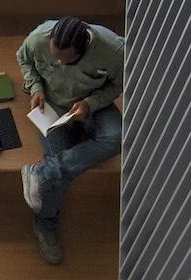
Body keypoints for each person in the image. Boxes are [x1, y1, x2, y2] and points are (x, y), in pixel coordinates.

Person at [15, 15, 124, 266]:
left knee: (116, 137)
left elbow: (115, 87)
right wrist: (35, 88)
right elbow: (23, 58)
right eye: (55, 58)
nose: (59, 63)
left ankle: (42, 174)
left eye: (66, 59)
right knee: (60, 171)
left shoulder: (113, 50)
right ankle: (46, 223)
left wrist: (90, 104)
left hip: (92, 105)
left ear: (83, 48)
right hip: (53, 107)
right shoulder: (38, 38)